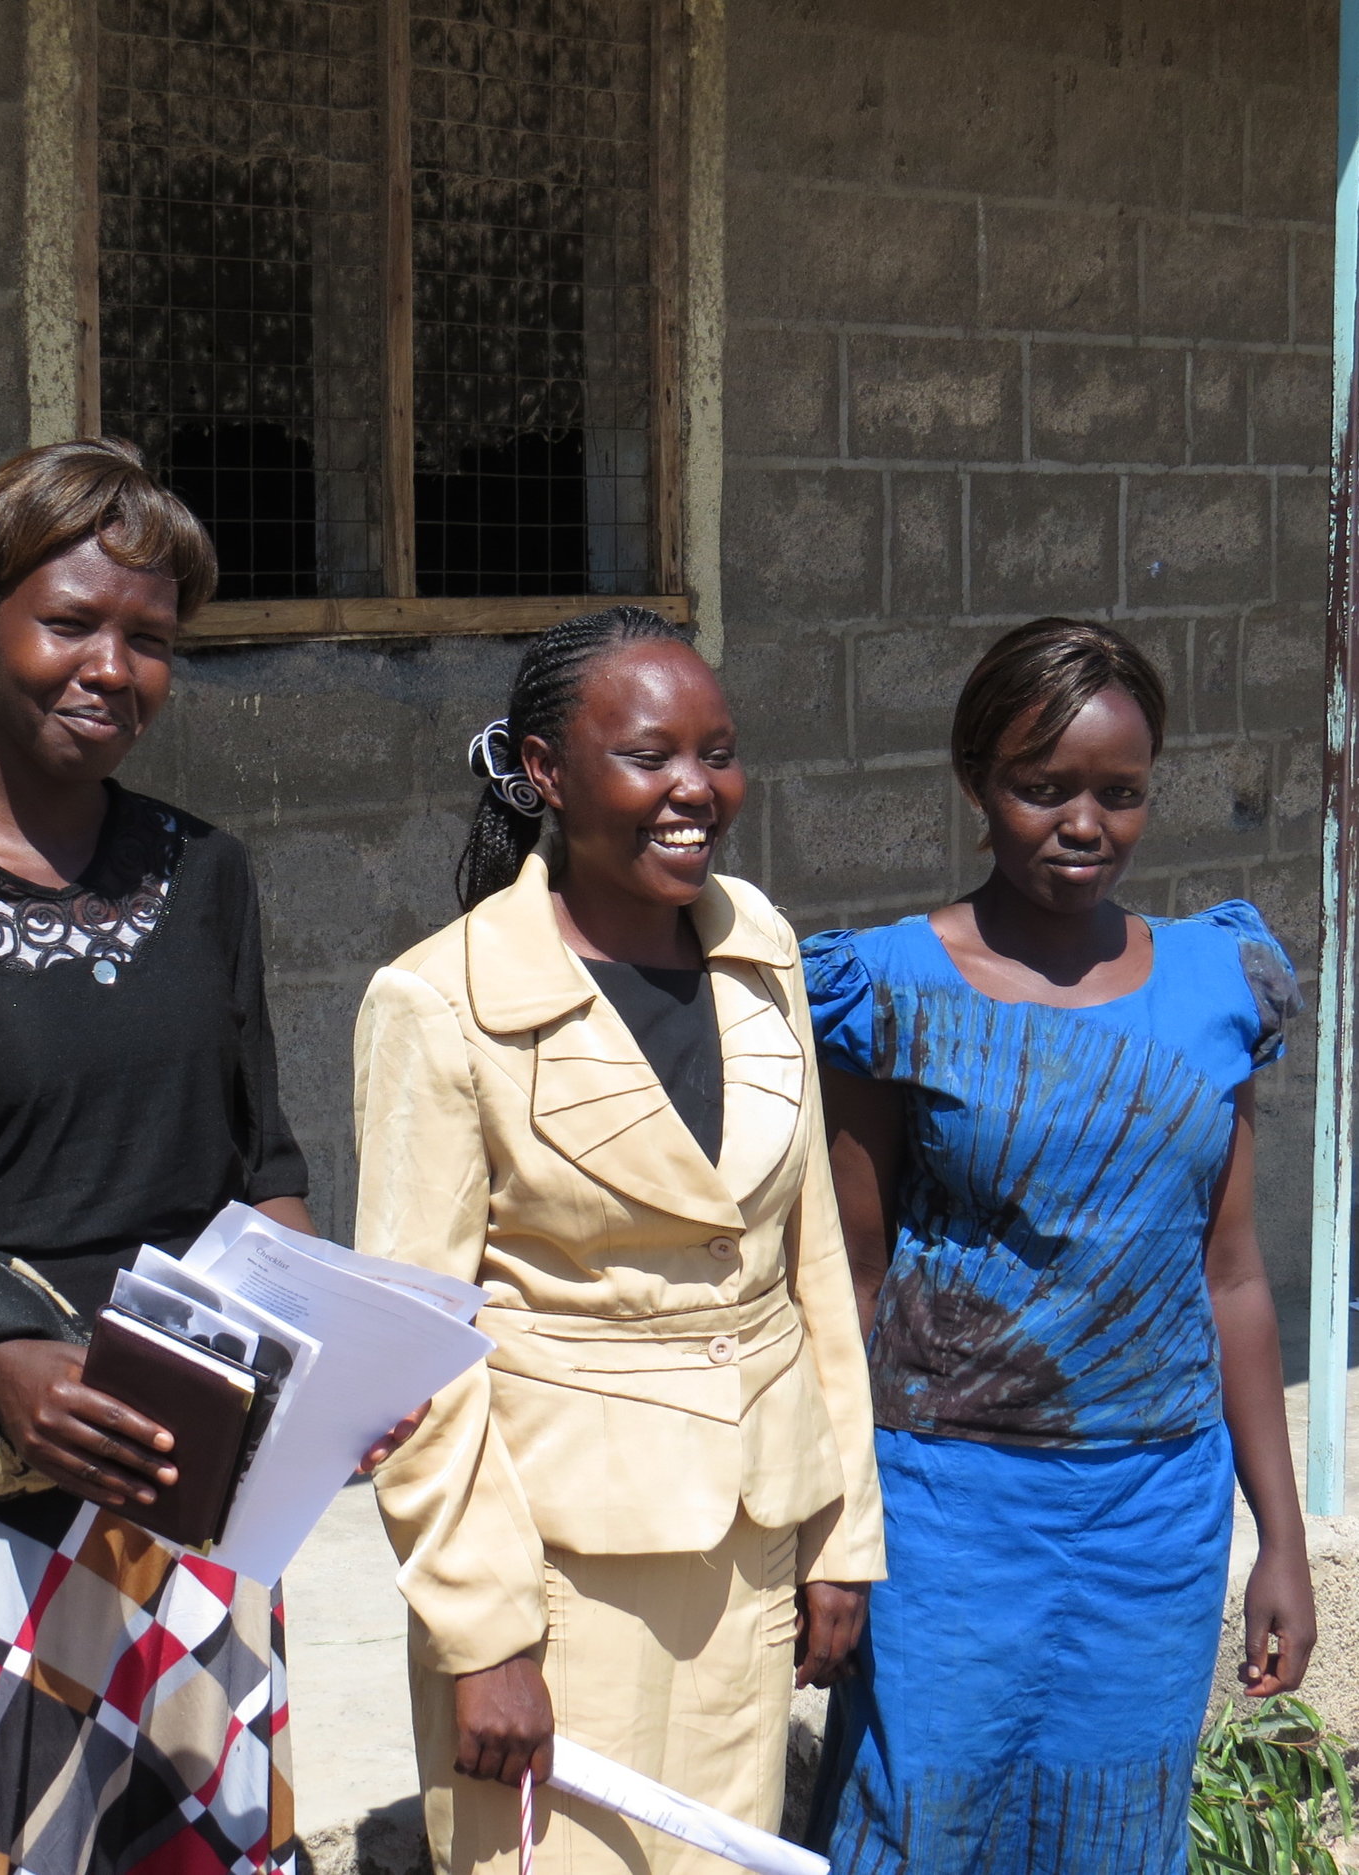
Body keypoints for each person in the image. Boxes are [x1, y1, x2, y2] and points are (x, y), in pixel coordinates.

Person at [0, 438, 412, 1875]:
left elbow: (260, 1162)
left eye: (151, 638)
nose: (112, 665)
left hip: (194, 1498)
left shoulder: (205, 875)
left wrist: (330, 1369)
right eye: (72, 623)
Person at [351, 606, 884, 1875]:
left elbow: (810, 1265)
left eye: (719, 752)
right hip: (561, 1574)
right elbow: (414, 1358)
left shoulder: (762, 955)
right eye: (651, 756)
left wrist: (839, 1539)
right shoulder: (441, 1001)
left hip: (750, 1545)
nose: (694, 790)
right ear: (545, 773)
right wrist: (483, 1634)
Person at [800, 618, 1314, 1874]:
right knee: (921, 1814)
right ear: (977, 781)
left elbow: (1230, 1275)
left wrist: (1281, 1541)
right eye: (1043, 788)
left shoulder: (1215, 984)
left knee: (1115, 1829)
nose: (1083, 824)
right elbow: (848, 1288)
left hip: (1156, 1509)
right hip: (945, 1509)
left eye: (1120, 794)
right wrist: (828, 1534)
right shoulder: (891, 992)